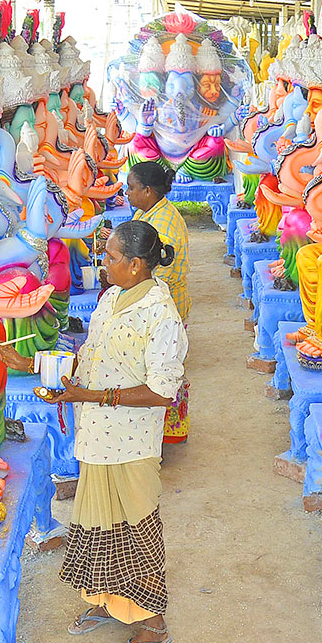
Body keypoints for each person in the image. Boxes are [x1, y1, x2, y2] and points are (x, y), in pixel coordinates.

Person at [0, 221, 188, 643]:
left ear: (136, 265)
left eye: (112, 257)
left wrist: (91, 395)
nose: (103, 263)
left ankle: (152, 622)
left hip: (131, 443)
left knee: (135, 528)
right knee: (98, 522)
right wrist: (27, 362)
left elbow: (162, 392)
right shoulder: (112, 299)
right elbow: (89, 355)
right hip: (97, 435)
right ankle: (108, 601)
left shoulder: (160, 315)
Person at [126, 162, 191, 442]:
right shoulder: (148, 211)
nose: (126, 193)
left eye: (131, 188)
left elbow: (156, 273)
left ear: (148, 190)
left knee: (163, 370)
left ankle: (170, 432)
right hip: (158, 300)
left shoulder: (164, 223)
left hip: (166, 304)